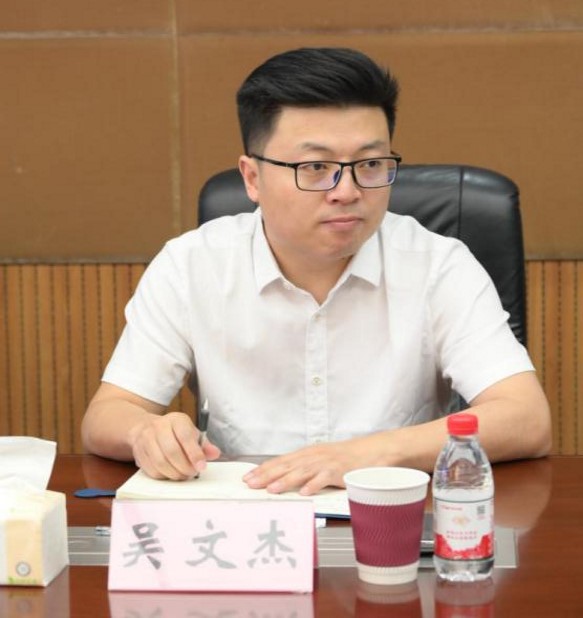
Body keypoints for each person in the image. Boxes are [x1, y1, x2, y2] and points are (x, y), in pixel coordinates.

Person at [81, 47, 551, 495]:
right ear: (252, 178)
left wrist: (366, 455)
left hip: (393, 520)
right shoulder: (191, 265)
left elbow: (526, 418)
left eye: (370, 163)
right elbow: (108, 415)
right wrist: (146, 432)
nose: (347, 191)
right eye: (316, 166)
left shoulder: (437, 264)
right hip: (247, 518)